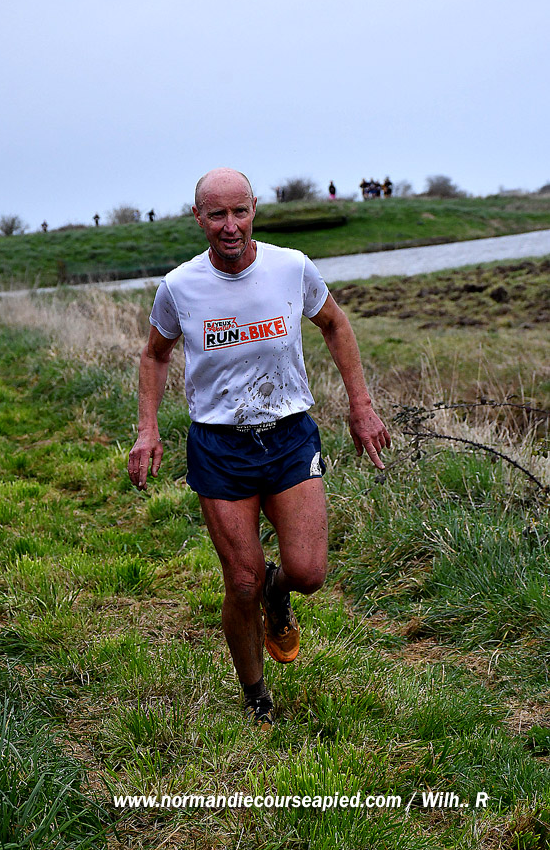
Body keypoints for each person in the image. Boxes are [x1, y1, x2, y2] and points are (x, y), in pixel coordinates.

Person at [127, 168, 390, 730]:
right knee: (241, 582)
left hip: (289, 435)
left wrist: (361, 406)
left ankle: (279, 589)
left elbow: (335, 325)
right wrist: (147, 429)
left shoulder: (291, 267)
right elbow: (155, 354)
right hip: (220, 446)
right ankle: (256, 695)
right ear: (198, 218)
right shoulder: (179, 286)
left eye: (239, 211)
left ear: (254, 210)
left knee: (308, 572)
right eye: (216, 215)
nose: (230, 226)